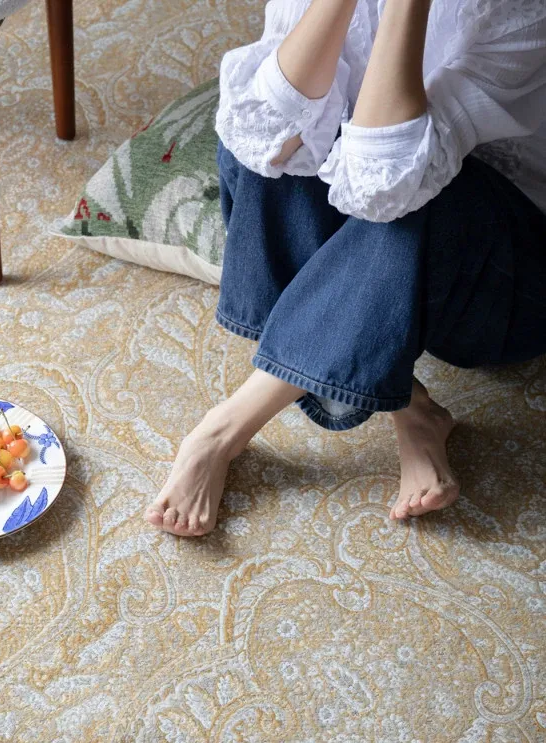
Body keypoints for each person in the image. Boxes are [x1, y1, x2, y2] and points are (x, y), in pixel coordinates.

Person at [143, 0, 546, 537]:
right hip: (396, 235)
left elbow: (389, 182)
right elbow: (266, 137)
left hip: (504, 277)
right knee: (270, 127)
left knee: (418, 181)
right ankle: (409, 405)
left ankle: (224, 428)